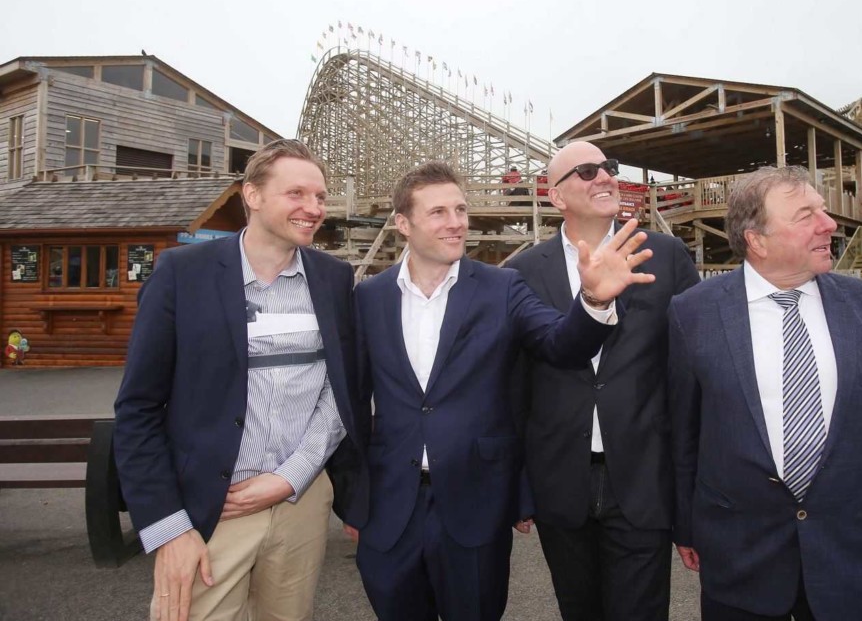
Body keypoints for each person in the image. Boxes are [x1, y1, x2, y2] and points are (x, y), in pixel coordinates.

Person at [334, 160, 655, 621]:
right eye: (439, 212)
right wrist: (352, 495)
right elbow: (346, 399)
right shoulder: (368, 298)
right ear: (403, 223)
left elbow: (559, 344)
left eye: (460, 209)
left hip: (474, 505)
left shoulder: (502, 287)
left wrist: (594, 301)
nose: (456, 222)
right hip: (388, 509)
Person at [668, 166, 862, 620]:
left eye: (822, 211)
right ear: (757, 240)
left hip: (857, 569)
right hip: (740, 567)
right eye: (806, 215)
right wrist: (687, 527)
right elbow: (685, 434)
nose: (830, 224)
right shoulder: (692, 314)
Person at [114, 139, 360, 621]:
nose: (313, 209)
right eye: (297, 194)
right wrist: (169, 527)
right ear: (252, 195)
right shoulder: (182, 274)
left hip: (300, 503)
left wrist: (292, 476)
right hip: (211, 509)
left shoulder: (333, 278)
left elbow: (340, 392)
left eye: (320, 197)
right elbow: (138, 409)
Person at [506, 141, 700, 621]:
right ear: (556, 196)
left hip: (642, 476)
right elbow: (513, 388)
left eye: (609, 168)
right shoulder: (522, 272)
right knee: (579, 609)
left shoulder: (668, 255)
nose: (606, 177)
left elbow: (693, 371)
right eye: (587, 171)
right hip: (560, 478)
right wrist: (519, 485)